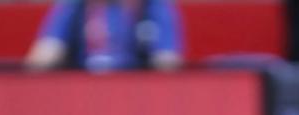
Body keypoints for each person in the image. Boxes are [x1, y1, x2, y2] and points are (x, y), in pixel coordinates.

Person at [25, 0, 183, 72]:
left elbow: (167, 60)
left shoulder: (154, 6)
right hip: (80, 91)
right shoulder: (73, 5)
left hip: (137, 93)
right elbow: (44, 55)